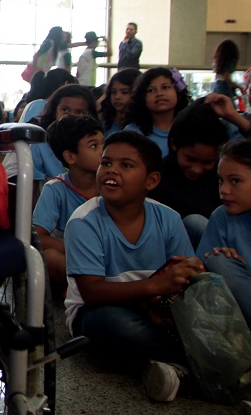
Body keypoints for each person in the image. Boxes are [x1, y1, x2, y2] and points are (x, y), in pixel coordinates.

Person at [64, 131, 201, 402]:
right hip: (98, 310)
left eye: (126, 165)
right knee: (115, 326)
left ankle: (174, 370)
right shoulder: (84, 222)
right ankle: (198, 362)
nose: (111, 171)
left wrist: (162, 301)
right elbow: (93, 293)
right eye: (106, 163)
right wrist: (156, 286)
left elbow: (185, 276)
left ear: (151, 180)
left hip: (158, 309)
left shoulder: (169, 219)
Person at [202, 141, 251, 415]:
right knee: (217, 261)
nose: (224, 190)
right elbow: (207, 293)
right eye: (221, 180)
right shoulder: (223, 217)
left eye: (235, 181)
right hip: (250, 333)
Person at [147, 97, 251, 248]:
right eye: (190, 159)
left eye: (207, 162)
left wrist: (234, 117)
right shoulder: (155, 178)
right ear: (174, 144)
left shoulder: (224, 178)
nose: (197, 169)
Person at [34, 116, 105, 287]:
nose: (104, 151)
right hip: (76, 256)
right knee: (51, 258)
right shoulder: (56, 189)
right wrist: (80, 249)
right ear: (70, 157)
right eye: (94, 146)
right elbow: (38, 237)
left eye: (105, 143)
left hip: (109, 254)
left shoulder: (112, 184)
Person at [124, 67, 192, 157]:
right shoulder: (132, 133)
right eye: (151, 90)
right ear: (142, 98)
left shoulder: (191, 128)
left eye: (165, 87)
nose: (159, 94)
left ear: (177, 91)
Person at [98, 68, 140, 137]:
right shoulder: (102, 123)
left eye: (125, 92)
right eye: (113, 92)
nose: (117, 97)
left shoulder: (143, 127)